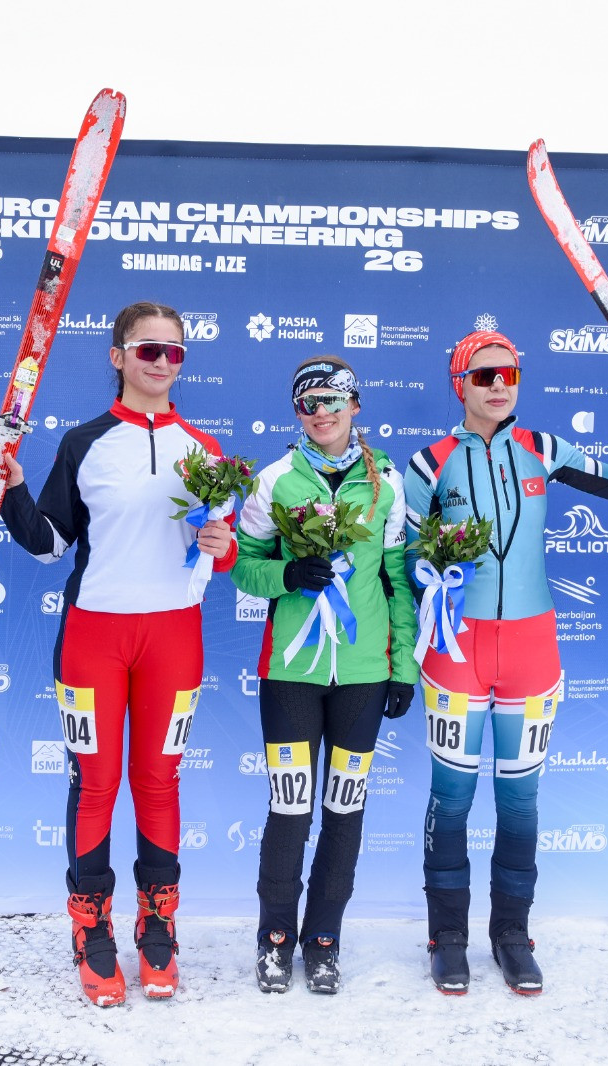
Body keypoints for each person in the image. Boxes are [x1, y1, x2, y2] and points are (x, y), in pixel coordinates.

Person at [403, 329, 608, 996]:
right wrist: (430, 580)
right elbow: (405, 560)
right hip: (458, 648)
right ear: (459, 385)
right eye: (484, 375)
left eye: (510, 373)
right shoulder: (429, 463)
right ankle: (447, 938)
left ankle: (512, 935)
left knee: (520, 800)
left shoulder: (543, 449)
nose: (499, 385)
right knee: (452, 797)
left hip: (532, 646)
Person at [0, 301, 236, 1007]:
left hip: (173, 638)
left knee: (159, 781)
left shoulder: (204, 450)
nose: (162, 362)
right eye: (148, 349)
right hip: (95, 637)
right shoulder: (83, 442)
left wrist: (224, 546)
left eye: (175, 352)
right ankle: (90, 929)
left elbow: (221, 550)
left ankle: (158, 924)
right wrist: (11, 490)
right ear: (118, 357)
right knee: (95, 784)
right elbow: (49, 543)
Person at [231, 356, 418, 995]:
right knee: (289, 808)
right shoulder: (275, 480)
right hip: (292, 672)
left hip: (364, 674)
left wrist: (403, 667)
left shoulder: (386, 482)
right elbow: (242, 565)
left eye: (333, 401)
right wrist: (286, 574)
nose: (321, 413)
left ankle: (324, 940)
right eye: (307, 404)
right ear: (297, 413)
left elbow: (398, 579)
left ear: (354, 405)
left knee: (344, 810)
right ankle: (275, 939)